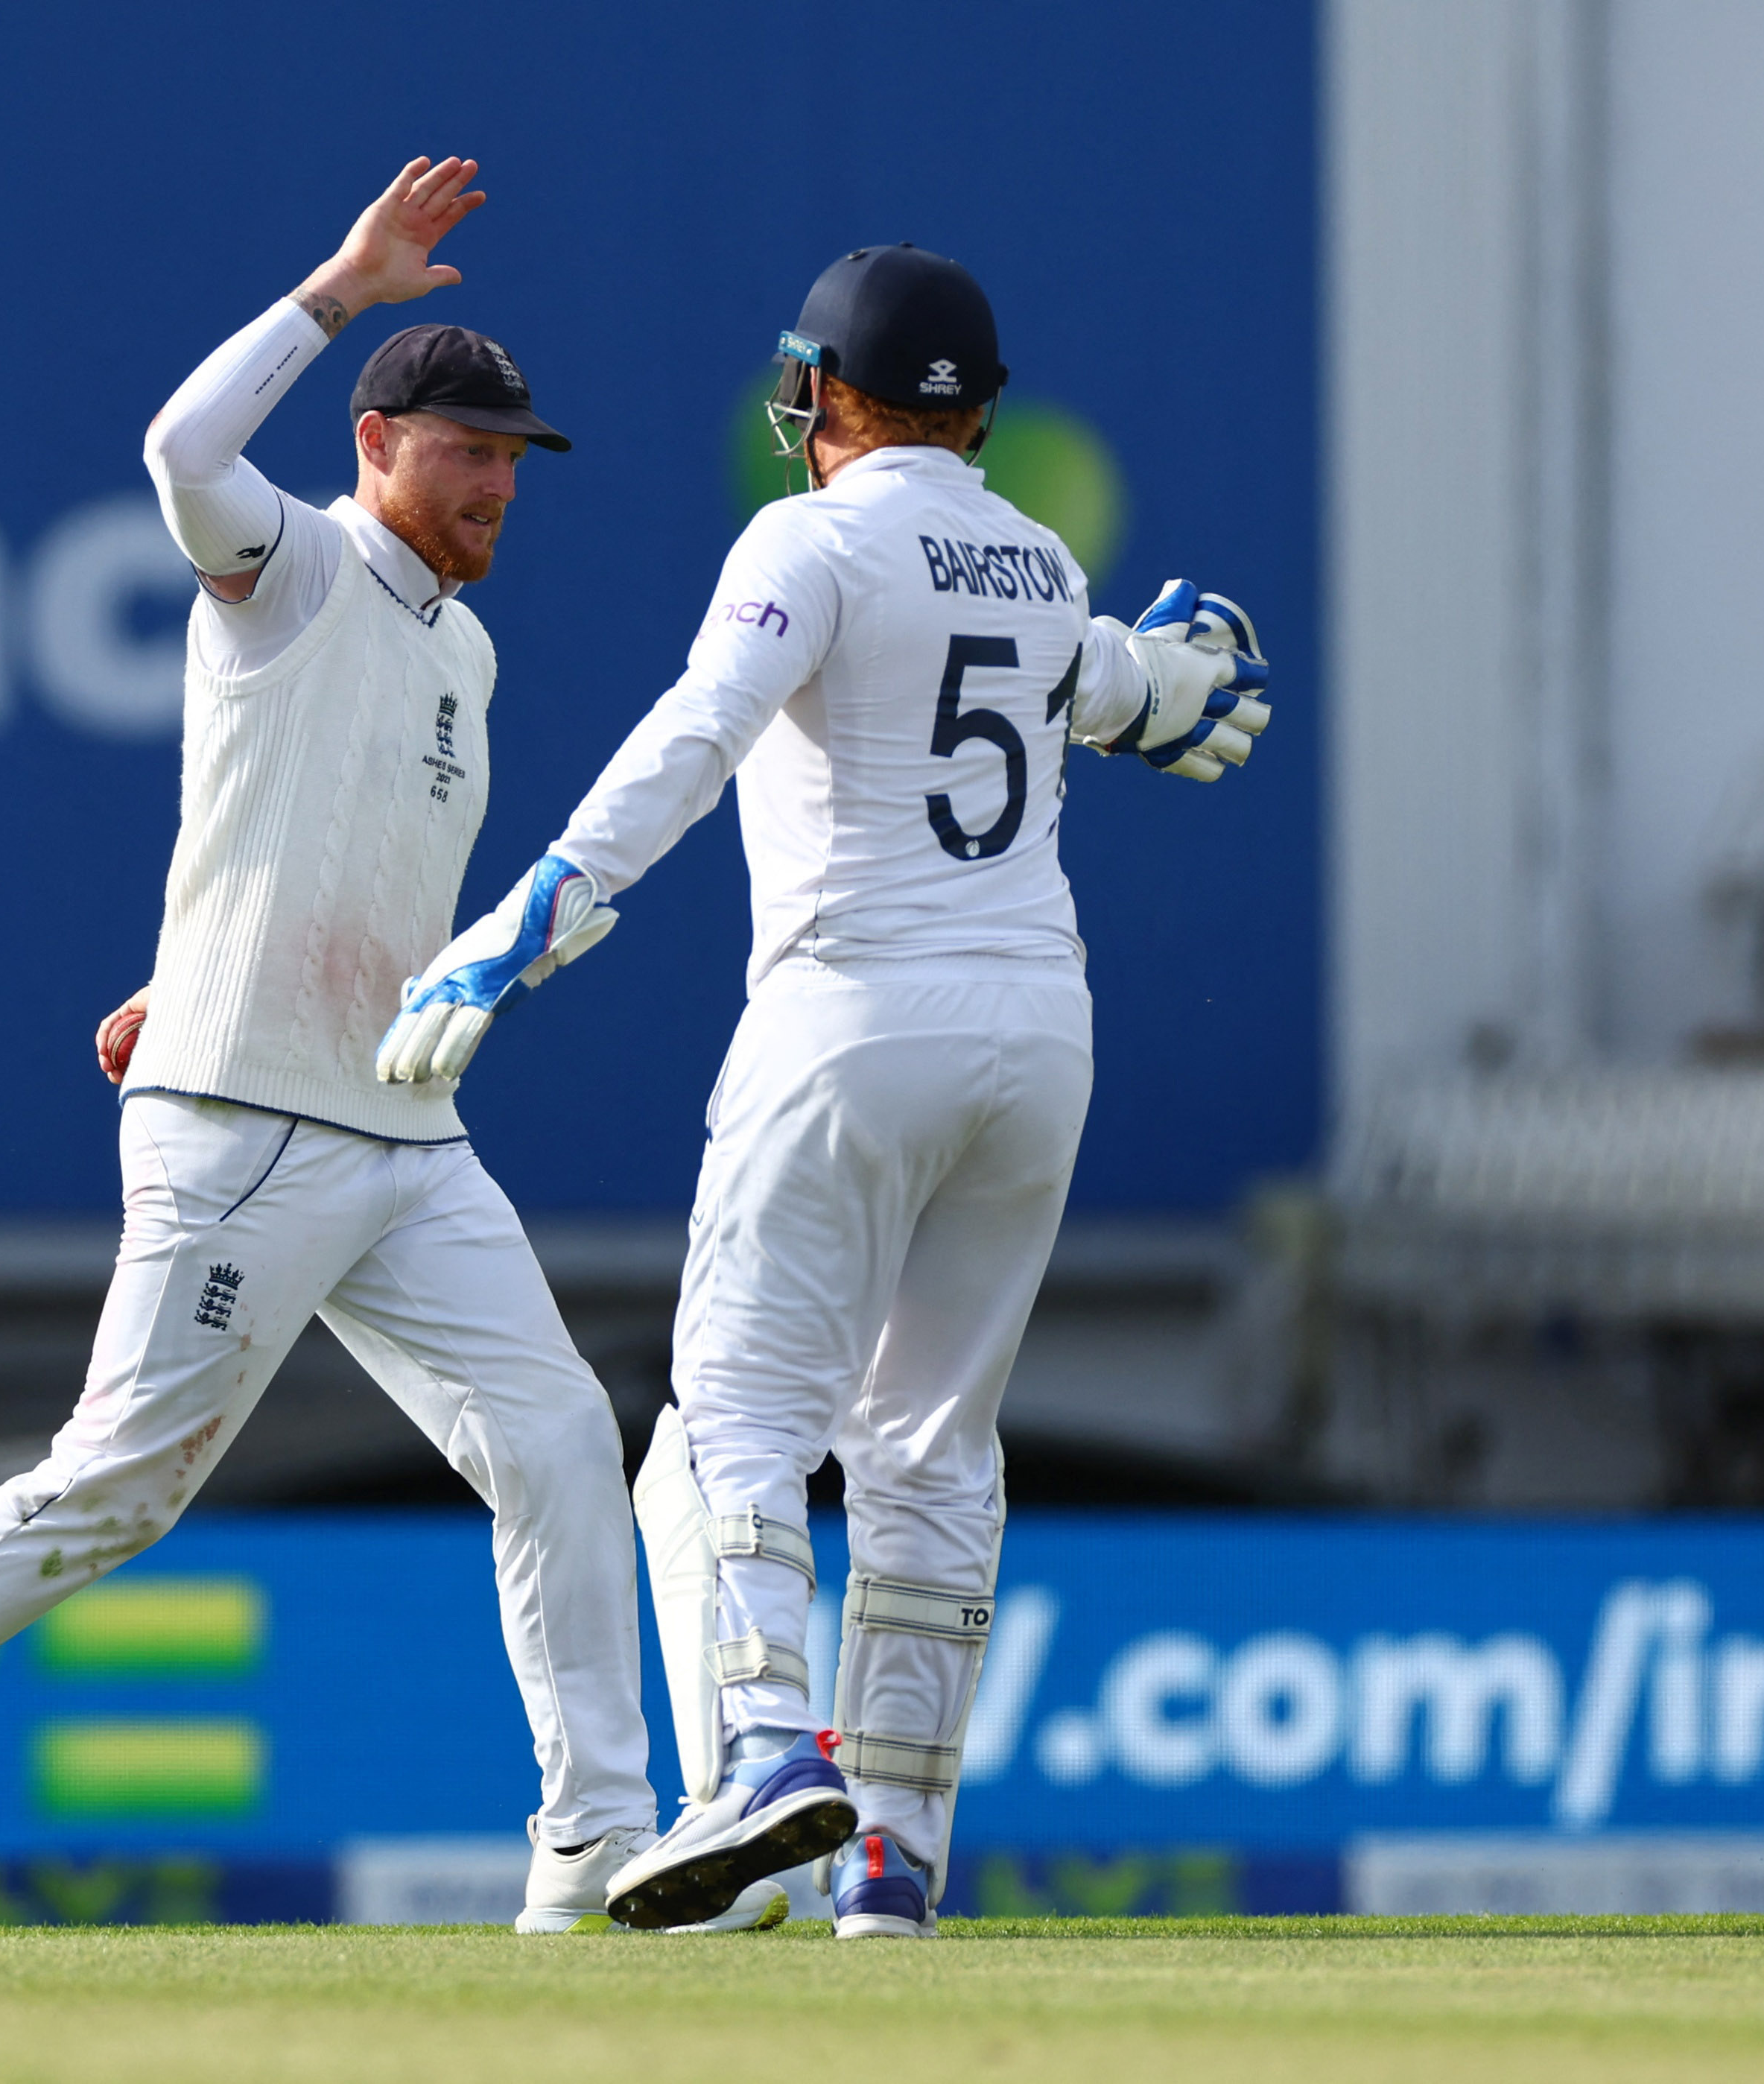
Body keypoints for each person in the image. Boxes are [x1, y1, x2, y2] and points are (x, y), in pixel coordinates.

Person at [0, 157, 769, 1939]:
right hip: (245, 1124)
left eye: (517, 457)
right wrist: (345, 285)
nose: (502, 482)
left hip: (404, 1129)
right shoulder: (295, 568)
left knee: (564, 1437)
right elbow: (180, 456)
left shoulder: (470, 653)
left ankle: (596, 1842)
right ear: (377, 447)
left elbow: (313, 841)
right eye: (471, 451)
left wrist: (178, 957)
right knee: (123, 1483)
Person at [378, 242, 1270, 1938]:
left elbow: (695, 736)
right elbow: (1126, 686)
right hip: (1041, 1036)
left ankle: (771, 1753)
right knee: (933, 1441)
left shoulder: (806, 537)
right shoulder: (1039, 556)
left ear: (818, 395)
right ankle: (897, 1858)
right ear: (986, 409)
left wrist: (516, 935)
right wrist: (1176, 678)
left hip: (854, 1018)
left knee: (734, 1410)